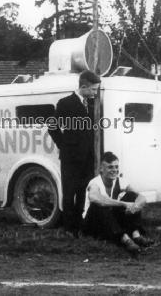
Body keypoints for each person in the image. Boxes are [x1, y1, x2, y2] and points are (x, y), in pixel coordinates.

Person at [48, 70, 100, 238]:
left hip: (88, 158)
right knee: (69, 193)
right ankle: (69, 229)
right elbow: (53, 127)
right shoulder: (65, 103)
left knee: (83, 192)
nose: (95, 93)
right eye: (93, 89)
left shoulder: (93, 105)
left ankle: (80, 226)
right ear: (83, 86)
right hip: (71, 158)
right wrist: (64, 146)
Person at [82, 152, 153, 254]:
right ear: (101, 169)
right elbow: (95, 198)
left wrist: (135, 206)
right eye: (110, 167)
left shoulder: (121, 181)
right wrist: (124, 204)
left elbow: (141, 197)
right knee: (100, 205)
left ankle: (136, 236)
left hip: (109, 220)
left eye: (116, 167)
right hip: (93, 223)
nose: (114, 170)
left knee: (132, 196)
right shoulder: (95, 183)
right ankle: (125, 240)